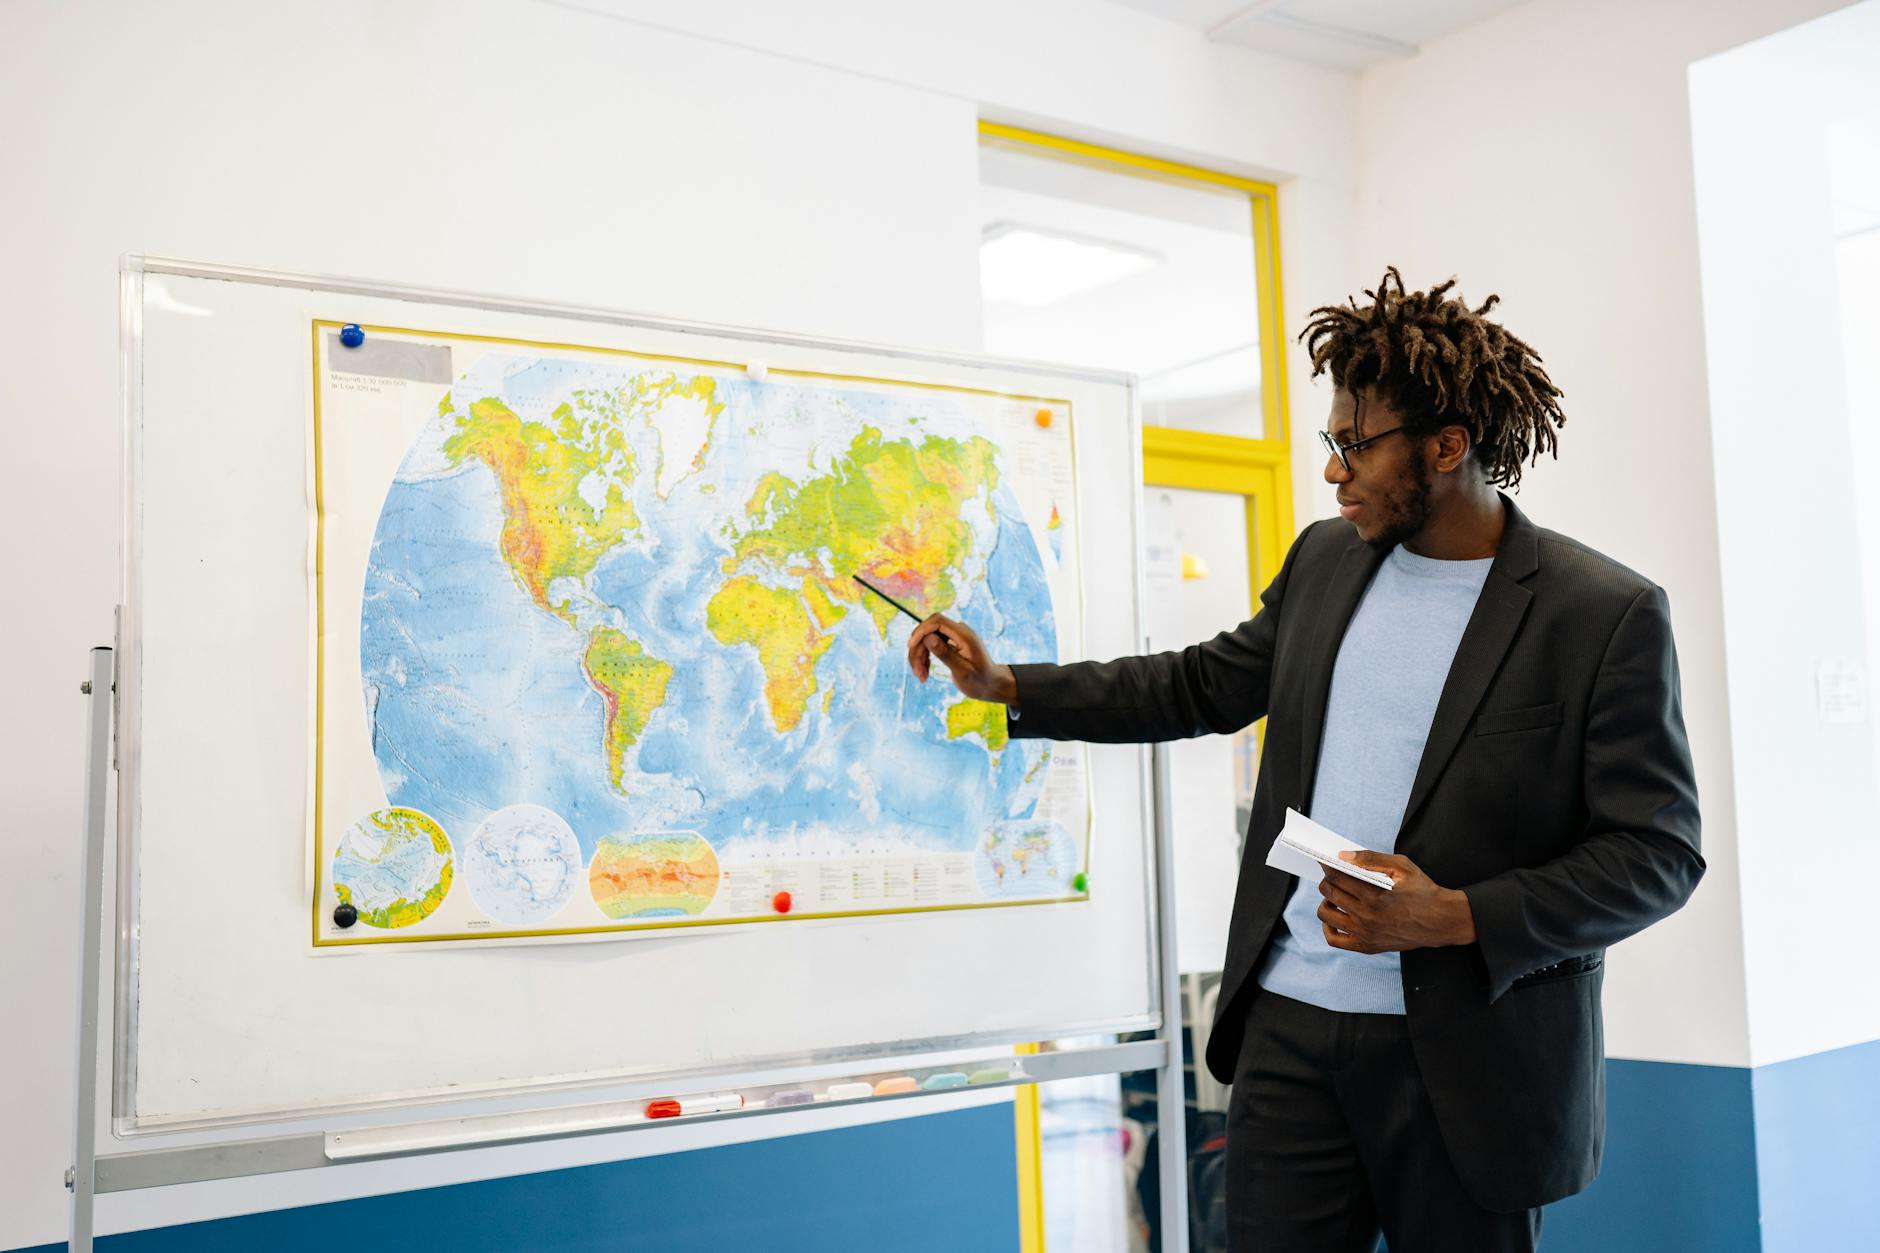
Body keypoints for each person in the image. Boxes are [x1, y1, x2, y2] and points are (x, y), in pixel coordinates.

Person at [905, 270, 1704, 1253]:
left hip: (1467, 1057)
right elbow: (1197, 684)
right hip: (1288, 1025)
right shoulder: (1325, 560)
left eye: (1352, 446)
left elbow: (1657, 850)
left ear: (1446, 446)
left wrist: (1451, 913)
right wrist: (1009, 685)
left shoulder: (1598, 612)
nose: (1333, 472)